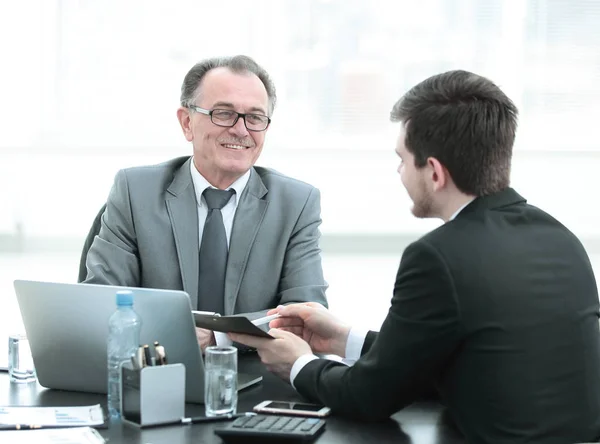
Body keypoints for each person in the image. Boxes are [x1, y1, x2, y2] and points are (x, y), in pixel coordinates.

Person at [229, 70, 600, 443]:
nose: (400, 172)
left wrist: (298, 363)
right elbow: (449, 355)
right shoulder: (562, 240)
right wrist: (344, 338)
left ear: (435, 172)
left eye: (403, 160)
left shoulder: (437, 257)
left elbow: (369, 396)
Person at [84, 55, 328, 350]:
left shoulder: (296, 204)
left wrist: (217, 337)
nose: (241, 130)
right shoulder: (135, 192)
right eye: (224, 113)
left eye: (255, 117)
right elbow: (102, 303)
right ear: (187, 122)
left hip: (258, 376)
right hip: (154, 371)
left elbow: (305, 317)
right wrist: (185, 335)